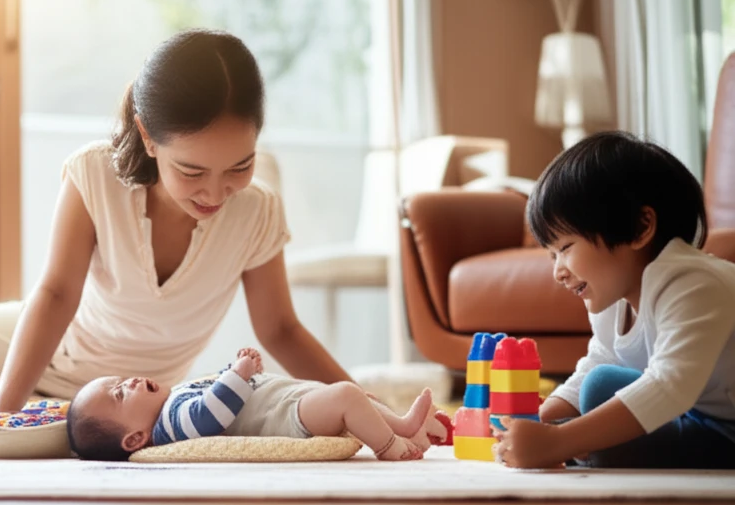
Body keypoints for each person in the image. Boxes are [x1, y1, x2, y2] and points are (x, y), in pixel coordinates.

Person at [0, 29, 359, 429]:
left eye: (239, 167)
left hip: (127, 398)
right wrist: (2, 417)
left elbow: (281, 331)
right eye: (192, 171)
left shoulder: (258, 212)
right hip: (57, 341)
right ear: (149, 138)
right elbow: (55, 295)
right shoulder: (96, 174)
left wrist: (367, 404)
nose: (215, 193)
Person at [494, 131, 735, 470]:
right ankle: (580, 446)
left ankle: (580, 447)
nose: (558, 272)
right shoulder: (614, 299)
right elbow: (599, 360)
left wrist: (558, 441)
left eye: (565, 249)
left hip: (727, 432)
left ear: (639, 227)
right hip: (696, 417)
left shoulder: (694, 284)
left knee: (596, 413)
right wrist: (540, 421)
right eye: (551, 256)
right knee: (601, 383)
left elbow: (669, 386)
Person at [67, 347, 440, 462]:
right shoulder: (170, 425)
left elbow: (212, 394)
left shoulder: (175, 397)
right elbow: (209, 414)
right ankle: (389, 446)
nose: (129, 382)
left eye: (120, 379)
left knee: (363, 401)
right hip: (288, 417)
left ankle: (404, 427)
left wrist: (232, 372)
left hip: (291, 397)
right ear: (134, 439)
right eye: (119, 394)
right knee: (347, 396)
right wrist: (240, 373)